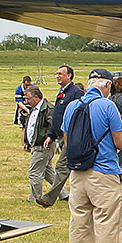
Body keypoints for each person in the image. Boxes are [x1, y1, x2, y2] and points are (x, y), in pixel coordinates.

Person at [62, 68, 122, 243]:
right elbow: (119, 142)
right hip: (104, 172)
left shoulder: (72, 106)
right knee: (107, 223)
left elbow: (66, 140)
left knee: (79, 224)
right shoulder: (107, 105)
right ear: (107, 86)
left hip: (77, 173)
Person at [37, 65, 83, 206]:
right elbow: (58, 117)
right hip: (63, 135)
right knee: (69, 167)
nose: (57, 76)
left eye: (60, 74)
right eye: (56, 73)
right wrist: (51, 135)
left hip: (71, 136)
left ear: (69, 76)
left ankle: (49, 198)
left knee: (63, 166)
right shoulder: (63, 93)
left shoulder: (76, 93)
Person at [21, 85, 53, 202]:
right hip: (35, 144)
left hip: (43, 145)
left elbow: (53, 126)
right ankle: (64, 194)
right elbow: (30, 126)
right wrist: (27, 141)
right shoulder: (33, 109)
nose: (26, 101)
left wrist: (49, 138)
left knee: (35, 172)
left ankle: (35, 197)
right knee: (47, 172)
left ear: (37, 97)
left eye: (28, 99)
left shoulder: (48, 109)